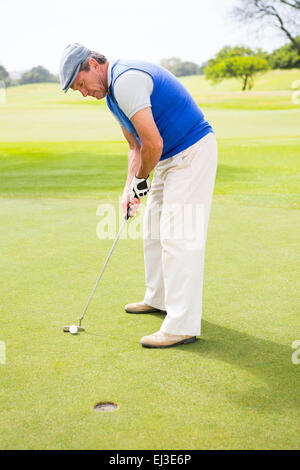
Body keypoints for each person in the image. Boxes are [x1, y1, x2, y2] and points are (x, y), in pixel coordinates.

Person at [59, 43, 218, 348]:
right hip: (168, 157)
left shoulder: (126, 80)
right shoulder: (112, 99)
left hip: (192, 151)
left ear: (93, 64)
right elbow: (135, 147)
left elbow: (153, 143)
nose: (83, 93)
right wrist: (128, 189)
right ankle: (158, 299)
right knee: (153, 230)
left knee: (178, 236)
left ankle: (182, 325)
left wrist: (141, 182)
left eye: (81, 84)